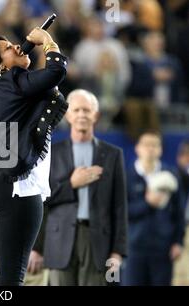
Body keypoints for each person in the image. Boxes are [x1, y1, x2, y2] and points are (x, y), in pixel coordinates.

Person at [0, 27, 68, 285]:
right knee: (12, 276)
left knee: (5, 273)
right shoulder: (13, 79)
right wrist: (47, 41)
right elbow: (56, 72)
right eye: (7, 48)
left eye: (14, 43)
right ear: (0, 66)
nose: (17, 46)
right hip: (16, 188)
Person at [42, 89, 128, 286]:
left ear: (96, 115)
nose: (82, 114)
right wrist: (72, 184)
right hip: (59, 240)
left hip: (97, 242)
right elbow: (42, 198)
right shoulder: (51, 153)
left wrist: (117, 251)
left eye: (87, 110)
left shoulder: (113, 155)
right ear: (68, 115)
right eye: (77, 110)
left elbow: (119, 207)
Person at [122, 131, 185, 286]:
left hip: (163, 249)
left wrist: (178, 242)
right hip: (133, 249)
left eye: (154, 145)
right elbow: (120, 212)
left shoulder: (171, 175)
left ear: (161, 149)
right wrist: (147, 203)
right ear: (137, 148)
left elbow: (179, 212)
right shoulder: (126, 175)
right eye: (146, 144)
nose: (150, 149)